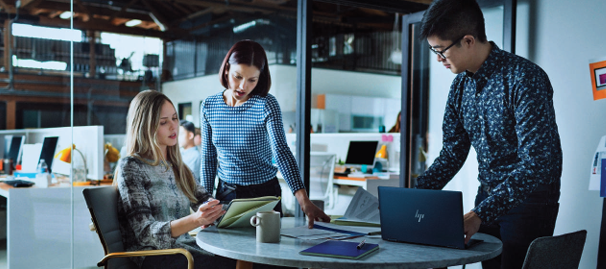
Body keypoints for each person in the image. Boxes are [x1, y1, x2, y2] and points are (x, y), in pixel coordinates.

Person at [415, 1, 562, 268]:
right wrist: (412, 197)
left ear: (468, 40)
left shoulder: (524, 78)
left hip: (529, 201)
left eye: (441, 50)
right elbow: (452, 154)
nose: (438, 58)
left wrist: (480, 213)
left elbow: (537, 162)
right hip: (486, 197)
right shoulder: (459, 88)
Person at [200, 40, 330, 229]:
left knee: (266, 255)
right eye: (238, 77)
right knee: (227, 254)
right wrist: (206, 201)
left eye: (252, 80)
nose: (243, 86)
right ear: (227, 69)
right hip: (227, 193)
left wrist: (304, 200)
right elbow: (208, 157)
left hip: (264, 194)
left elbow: (281, 152)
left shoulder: (266, 104)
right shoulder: (209, 105)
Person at [115, 90, 236, 269]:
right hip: (154, 257)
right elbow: (146, 234)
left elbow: (208, 204)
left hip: (184, 251)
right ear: (145, 127)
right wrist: (196, 220)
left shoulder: (178, 167)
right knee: (234, 264)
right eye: (164, 122)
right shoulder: (131, 167)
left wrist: (246, 214)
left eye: (174, 118)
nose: (174, 127)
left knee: (251, 261)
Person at [179, 120, 201, 184]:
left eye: (180, 134)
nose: (177, 138)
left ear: (190, 135)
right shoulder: (180, 151)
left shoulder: (196, 156)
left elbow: (188, 182)